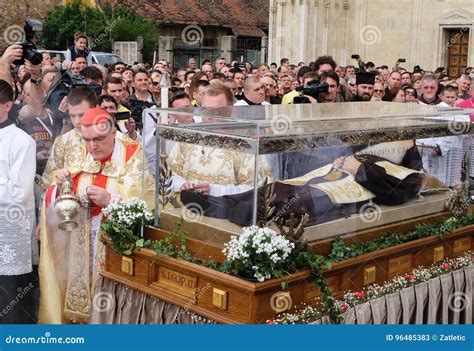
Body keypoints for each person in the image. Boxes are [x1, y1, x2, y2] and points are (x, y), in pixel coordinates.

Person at [38, 108, 155, 324]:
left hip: (114, 251)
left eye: (99, 139)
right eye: (87, 140)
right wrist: (62, 185)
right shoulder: (81, 154)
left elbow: (146, 209)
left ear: (113, 133)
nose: (92, 146)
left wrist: (110, 200)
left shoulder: (133, 158)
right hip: (79, 249)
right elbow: (54, 197)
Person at [181, 140, 432, 227]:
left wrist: (360, 168)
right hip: (325, 177)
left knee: (296, 201)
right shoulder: (370, 154)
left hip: (339, 193)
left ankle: (241, 211)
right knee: (279, 187)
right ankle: (219, 202)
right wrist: (347, 161)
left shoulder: (409, 176)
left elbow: (393, 195)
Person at [0, 79, 37, 323]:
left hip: (8, 236)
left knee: (9, 305)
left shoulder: (22, 141)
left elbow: (19, 192)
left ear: (6, 105)